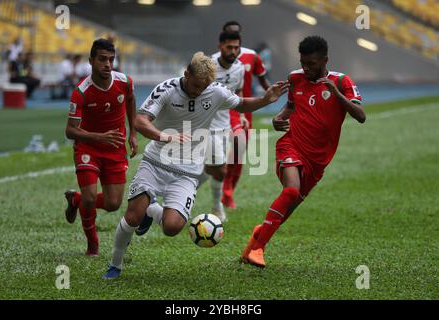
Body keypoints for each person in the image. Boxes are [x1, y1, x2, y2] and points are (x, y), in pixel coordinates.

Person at [103, 51, 288, 279]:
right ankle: (115, 264)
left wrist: (265, 99)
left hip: (187, 172)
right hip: (155, 162)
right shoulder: (167, 89)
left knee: (172, 227)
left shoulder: (215, 91)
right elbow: (140, 120)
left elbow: (240, 104)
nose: (199, 91)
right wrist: (165, 136)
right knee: (132, 217)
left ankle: (151, 208)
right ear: (186, 73)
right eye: (196, 84)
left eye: (204, 86)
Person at [241, 36, 366, 268]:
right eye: (303, 62)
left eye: (311, 63)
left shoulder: (341, 82)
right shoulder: (295, 78)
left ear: (325, 60)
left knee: (286, 211)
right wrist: (278, 118)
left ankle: (256, 240)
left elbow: (361, 116)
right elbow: (290, 106)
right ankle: (258, 250)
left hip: (318, 161)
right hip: (292, 145)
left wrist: (338, 96)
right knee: (290, 191)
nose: (306, 68)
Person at [64, 39, 138, 256]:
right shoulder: (81, 92)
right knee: (90, 197)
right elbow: (70, 130)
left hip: (114, 148)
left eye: (111, 59)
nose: (107, 64)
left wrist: (132, 132)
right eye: (102, 59)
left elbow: (131, 100)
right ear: (91, 61)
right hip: (88, 148)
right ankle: (92, 244)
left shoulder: (124, 82)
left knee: (113, 203)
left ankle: (74, 200)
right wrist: (99, 137)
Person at [218, 21, 271, 209]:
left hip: (243, 110)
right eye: (229, 35)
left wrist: (273, 96)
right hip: (220, 111)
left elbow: (263, 80)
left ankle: (229, 190)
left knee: (239, 153)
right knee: (221, 152)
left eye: (236, 36)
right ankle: (222, 188)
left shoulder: (251, 57)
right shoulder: (215, 60)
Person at [199, 31, 245, 222]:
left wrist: (241, 114)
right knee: (221, 169)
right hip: (206, 125)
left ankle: (178, 194)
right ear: (220, 47)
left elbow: (238, 90)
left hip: (224, 125)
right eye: (229, 47)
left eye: (236, 47)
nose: (233, 51)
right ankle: (217, 207)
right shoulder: (208, 66)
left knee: (210, 169)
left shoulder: (240, 67)